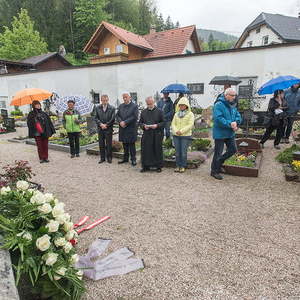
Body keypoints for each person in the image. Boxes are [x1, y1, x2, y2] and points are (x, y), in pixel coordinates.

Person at [211, 88, 242, 180]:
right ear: (226, 95)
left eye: (235, 95)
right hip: (220, 133)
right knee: (218, 153)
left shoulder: (233, 104)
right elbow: (218, 118)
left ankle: (219, 162)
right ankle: (214, 171)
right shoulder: (218, 105)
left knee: (233, 149)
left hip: (230, 133)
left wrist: (236, 122)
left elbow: (238, 115)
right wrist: (230, 124)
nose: (234, 97)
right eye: (232, 95)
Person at [139, 96, 165, 173]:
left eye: (151, 103)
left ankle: (158, 166)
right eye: (148, 104)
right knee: (146, 150)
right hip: (147, 134)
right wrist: (144, 126)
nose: (149, 105)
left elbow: (163, 122)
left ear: (154, 102)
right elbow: (140, 122)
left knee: (157, 149)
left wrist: (157, 125)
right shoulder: (143, 112)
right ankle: (146, 166)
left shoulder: (160, 111)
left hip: (157, 134)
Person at [171, 97, 195, 173]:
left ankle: (183, 166)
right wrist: (176, 131)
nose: (181, 106)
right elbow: (173, 124)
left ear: (186, 106)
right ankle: (178, 165)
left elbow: (190, 124)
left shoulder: (190, 114)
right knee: (177, 152)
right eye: (180, 105)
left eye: (183, 105)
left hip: (185, 135)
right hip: (176, 135)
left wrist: (181, 131)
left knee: (183, 152)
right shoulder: (176, 114)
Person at [116, 92, 139, 166]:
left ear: (130, 97)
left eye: (126, 97)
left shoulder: (134, 106)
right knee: (124, 144)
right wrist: (120, 122)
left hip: (130, 128)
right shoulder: (121, 106)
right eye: (123, 97)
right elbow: (117, 115)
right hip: (123, 128)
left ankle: (133, 159)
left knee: (131, 145)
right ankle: (125, 158)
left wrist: (125, 122)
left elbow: (134, 116)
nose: (125, 99)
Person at [94, 95, 116, 164]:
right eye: (103, 100)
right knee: (101, 144)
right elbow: (96, 118)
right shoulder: (97, 108)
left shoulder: (112, 108)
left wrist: (106, 125)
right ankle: (102, 158)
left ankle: (109, 157)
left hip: (108, 129)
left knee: (109, 144)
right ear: (101, 100)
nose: (105, 102)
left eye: (106, 100)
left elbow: (112, 119)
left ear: (108, 100)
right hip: (100, 129)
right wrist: (101, 124)